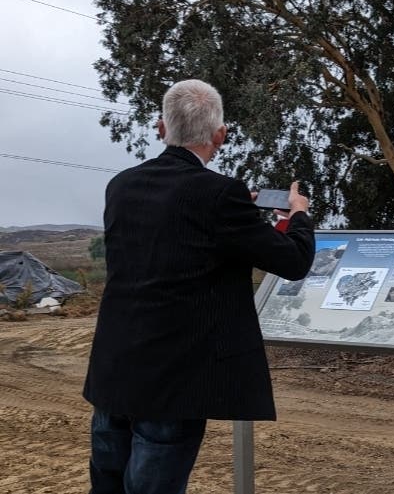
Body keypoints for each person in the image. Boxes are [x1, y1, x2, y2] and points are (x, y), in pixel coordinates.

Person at [83, 79, 315, 494]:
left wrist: (238, 205)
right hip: (174, 381)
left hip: (114, 371)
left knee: (107, 483)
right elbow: (293, 261)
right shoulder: (220, 194)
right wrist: (297, 215)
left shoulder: (121, 184)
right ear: (219, 136)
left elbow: (171, 233)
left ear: (160, 128)